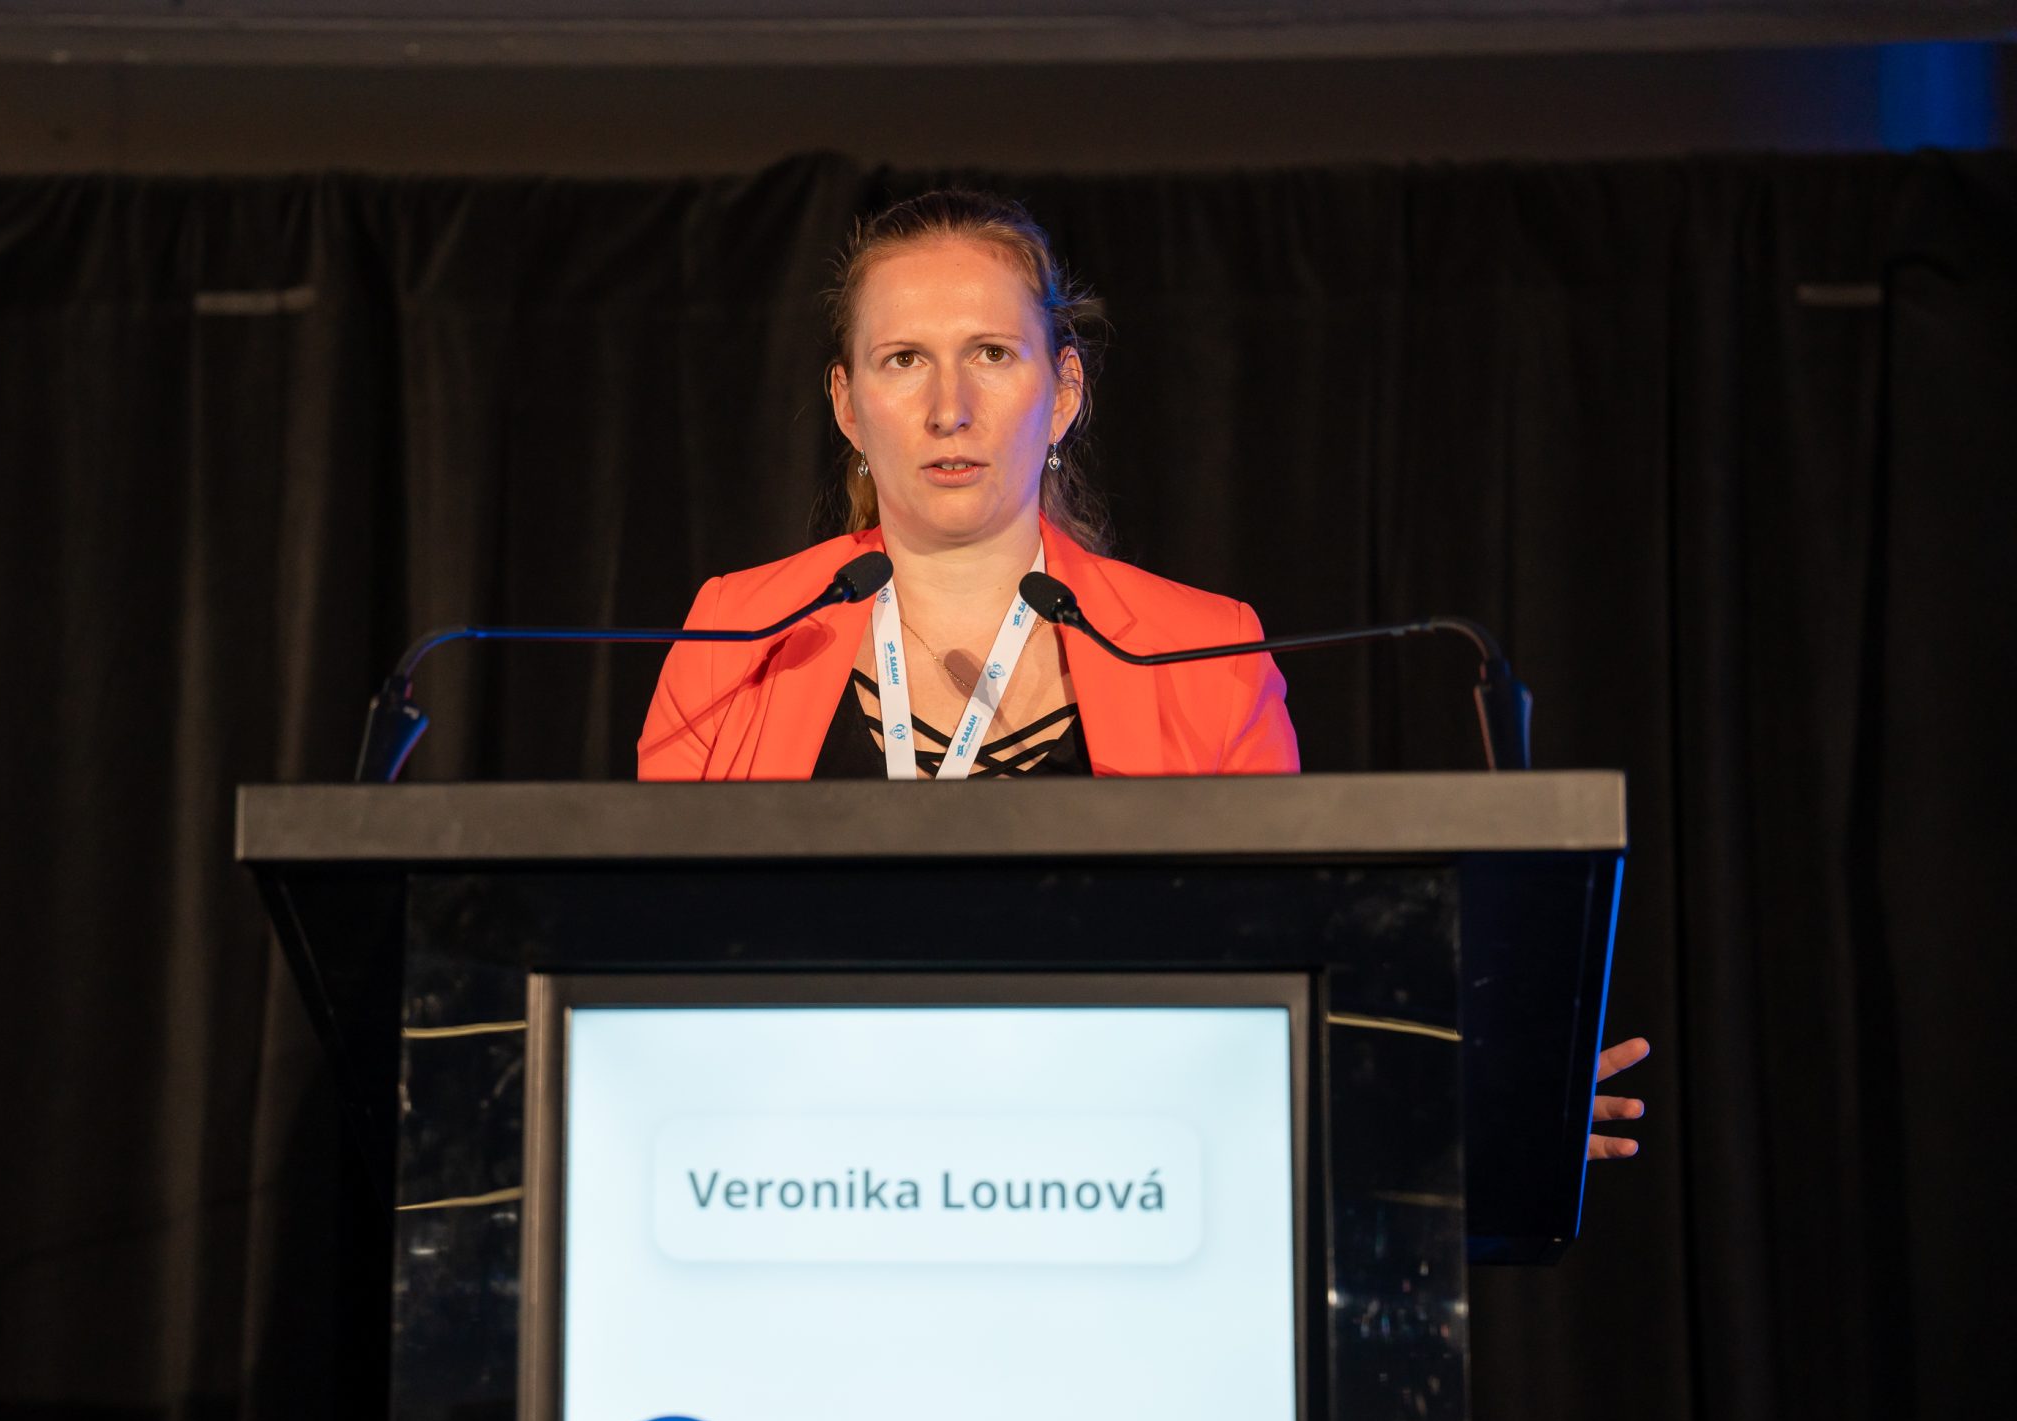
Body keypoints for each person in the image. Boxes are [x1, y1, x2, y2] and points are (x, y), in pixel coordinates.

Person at [637, 188, 1650, 1152]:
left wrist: (1438, 1079)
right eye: (903, 359)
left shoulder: (1205, 652)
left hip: (1111, 1183)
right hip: (804, 1173)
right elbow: (643, 960)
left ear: (1064, 391)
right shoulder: (737, 630)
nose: (949, 406)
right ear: (848, 404)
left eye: (991, 353)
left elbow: (1276, 979)